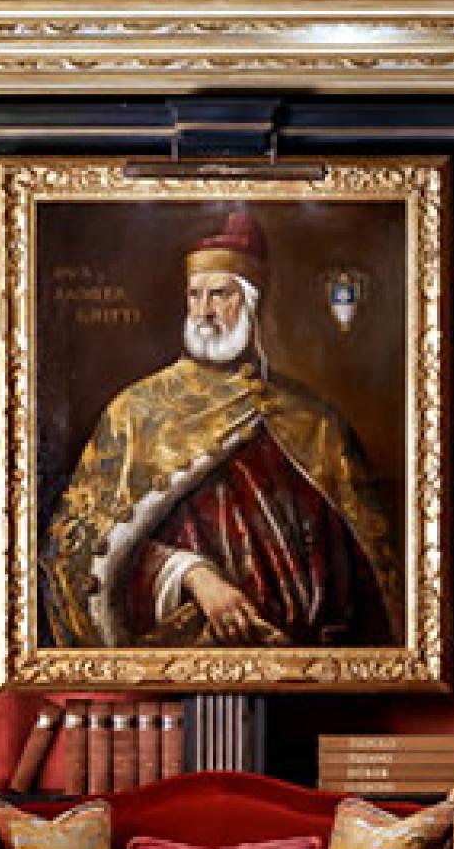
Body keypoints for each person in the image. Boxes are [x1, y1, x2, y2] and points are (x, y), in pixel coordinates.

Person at [41, 207, 397, 648]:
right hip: (184, 650)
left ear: (251, 302)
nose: (204, 310)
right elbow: (77, 553)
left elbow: (370, 574)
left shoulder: (315, 422)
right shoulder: (137, 412)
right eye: (195, 295)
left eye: (220, 294)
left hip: (306, 658)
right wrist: (190, 574)